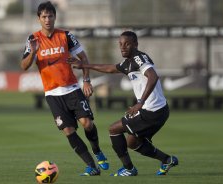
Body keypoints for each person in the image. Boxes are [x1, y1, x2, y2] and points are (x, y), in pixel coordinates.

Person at [67, 31, 178, 176]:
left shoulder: (139, 58)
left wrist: (140, 102)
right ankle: (167, 159)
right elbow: (110, 68)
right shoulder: (128, 62)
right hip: (158, 110)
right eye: (120, 44)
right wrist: (85, 65)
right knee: (132, 143)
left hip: (152, 110)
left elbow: (153, 76)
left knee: (114, 129)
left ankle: (129, 169)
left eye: (127, 44)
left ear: (135, 44)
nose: (122, 47)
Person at [20, 1, 108, 176]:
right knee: (68, 130)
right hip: (52, 94)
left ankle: (97, 151)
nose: (47, 20)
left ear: (55, 17)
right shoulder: (33, 40)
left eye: (50, 16)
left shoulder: (66, 36)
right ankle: (91, 166)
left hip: (72, 89)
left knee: (87, 123)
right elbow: (23, 66)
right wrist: (33, 52)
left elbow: (83, 57)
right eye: (44, 16)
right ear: (39, 18)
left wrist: (87, 81)